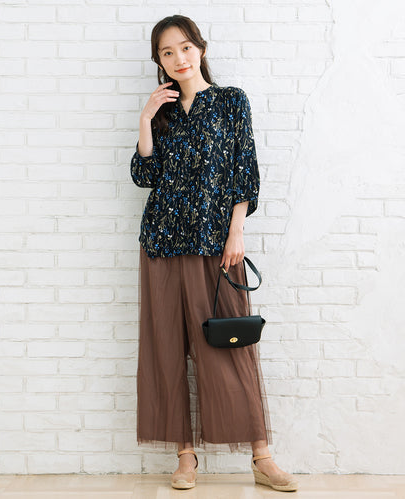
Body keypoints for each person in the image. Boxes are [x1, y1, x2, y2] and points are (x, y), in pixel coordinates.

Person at [130, 14, 298, 492]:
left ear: (200, 49)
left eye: (185, 47)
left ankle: (261, 456)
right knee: (167, 349)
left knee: (230, 347)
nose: (178, 58)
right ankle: (185, 457)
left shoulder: (230, 102)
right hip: (162, 243)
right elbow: (145, 176)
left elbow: (245, 171)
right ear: (159, 61)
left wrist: (236, 233)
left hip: (216, 244)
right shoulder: (162, 113)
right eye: (167, 52)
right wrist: (145, 118)